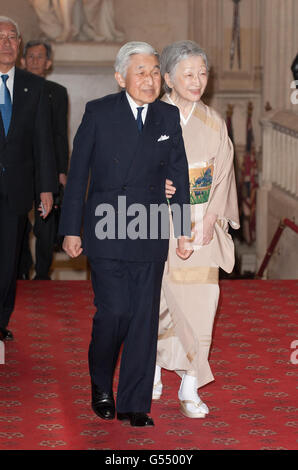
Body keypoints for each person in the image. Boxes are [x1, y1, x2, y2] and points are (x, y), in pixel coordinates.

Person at [59, 41, 192, 427]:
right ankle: (101, 384)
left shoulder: (167, 116)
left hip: (149, 227)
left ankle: (135, 403)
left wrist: (181, 229)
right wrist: (71, 229)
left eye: (154, 72)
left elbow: (179, 173)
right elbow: (79, 172)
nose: (150, 80)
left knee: (144, 318)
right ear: (120, 77)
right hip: (107, 224)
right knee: (115, 311)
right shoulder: (99, 112)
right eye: (141, 72)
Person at [153, 40, 240, 418]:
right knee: (158, 306)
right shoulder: (150, 118)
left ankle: (190, 384)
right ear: (168, 77)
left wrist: (207, 223)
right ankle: (152, 367)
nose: (197, 81)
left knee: (202, 306)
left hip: (202, 226)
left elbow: (223, 179)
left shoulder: (214, 123)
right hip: (157, 226)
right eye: (188, 74)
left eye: (202, 73)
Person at [0, 17, 57, 341]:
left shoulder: (32, 86)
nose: (7, 43)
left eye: (12, 37)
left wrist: (46, 188)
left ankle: (1, 320)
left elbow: (43, 141)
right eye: (1, 37)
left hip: (17, 189)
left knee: (8, 262)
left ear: (19, 45)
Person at [18, 40, 69, 280]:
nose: (35, 60)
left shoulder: (57, 92)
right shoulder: (11, 88)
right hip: (19, 165)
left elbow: (60, 133)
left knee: (45, 224)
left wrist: (61, 169)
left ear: (48, 63)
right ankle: (20, 269)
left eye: (40, 56)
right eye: (31, 56)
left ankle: (42, 274)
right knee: (17, 221)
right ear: (22, 60)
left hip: (46, 167)